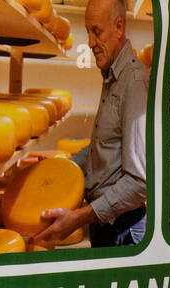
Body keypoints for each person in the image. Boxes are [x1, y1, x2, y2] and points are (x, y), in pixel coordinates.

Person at [31, 0, 147, 247]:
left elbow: (139, 183)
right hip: (104, 223)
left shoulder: (134, 82)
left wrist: (78, 218)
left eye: (96, 32)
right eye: (88, 33)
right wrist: (60, 169)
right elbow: (100, 149)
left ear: (118, 27)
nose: (91, 43)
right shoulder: (112, 76)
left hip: (123, 231)